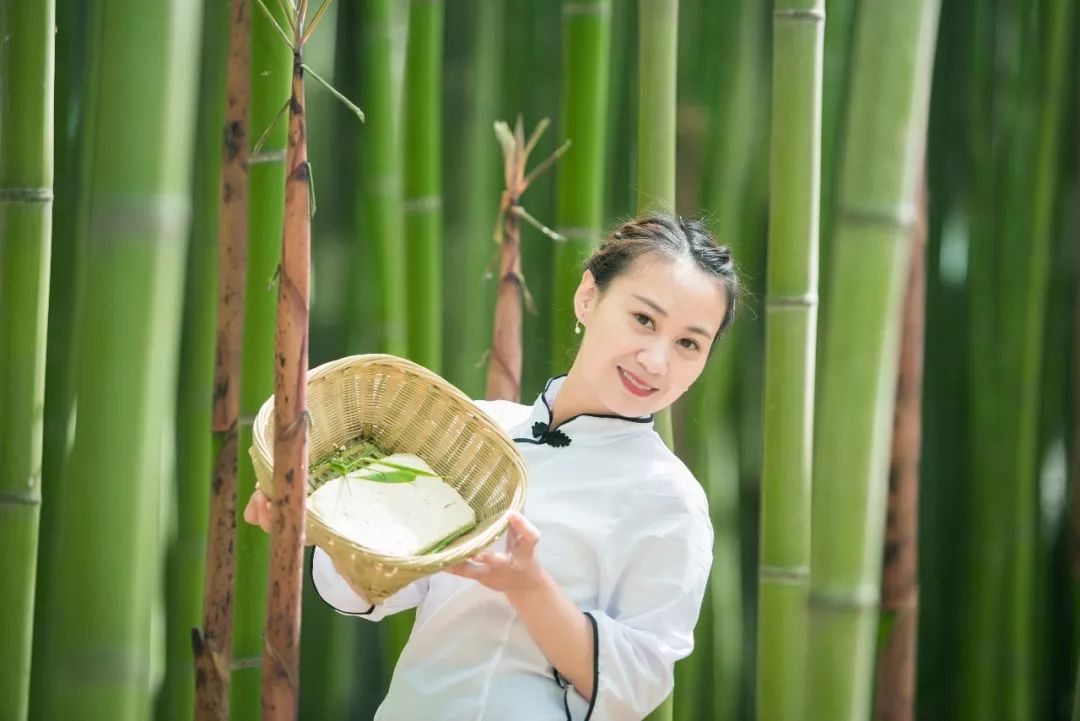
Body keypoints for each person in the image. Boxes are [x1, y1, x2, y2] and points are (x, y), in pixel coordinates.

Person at [244, 213, 739, 720]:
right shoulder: (476, 428)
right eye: (644, 320)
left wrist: (529, 585)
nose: (656, 360)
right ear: (588, 297)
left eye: (688, 344)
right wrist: (323, 526)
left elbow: (637, 683)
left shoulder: (669, 498)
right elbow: (383, 587)